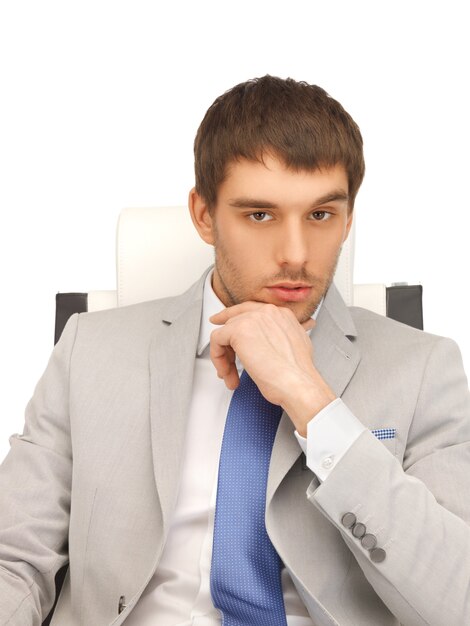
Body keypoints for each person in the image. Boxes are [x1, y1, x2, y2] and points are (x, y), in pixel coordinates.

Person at [0, 76, 469, 626]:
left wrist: (313, 403)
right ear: (203, 215)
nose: (295, 255)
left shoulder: (423, 368)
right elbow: (15, 561)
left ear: (347, 216)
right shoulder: (89, 350)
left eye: (321, 214)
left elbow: (456, 602)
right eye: (260, 215)